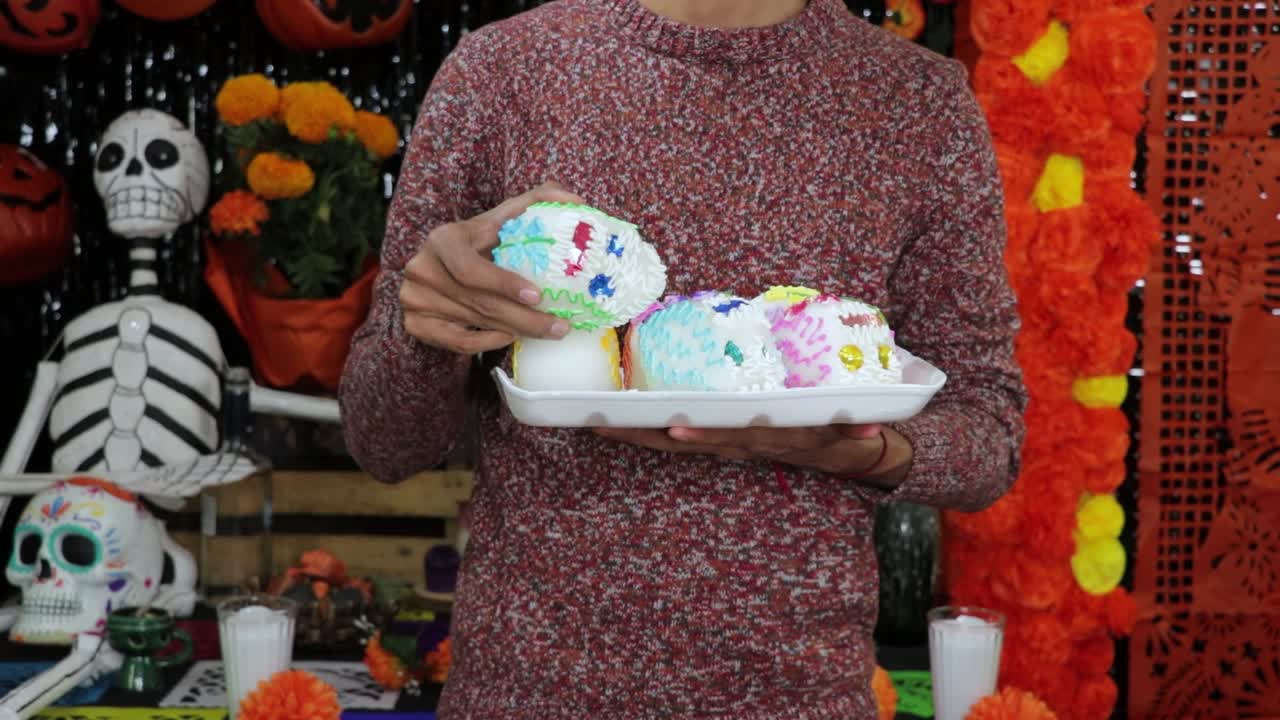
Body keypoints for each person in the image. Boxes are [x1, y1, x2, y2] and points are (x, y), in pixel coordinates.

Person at [339, 0, 1026, 716]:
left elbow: (989, 432)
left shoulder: (917, 103)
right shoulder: (504, 71)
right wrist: (420, 328)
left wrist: (853, 452)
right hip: (525, 689)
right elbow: (385, 445)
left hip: (797, 694)